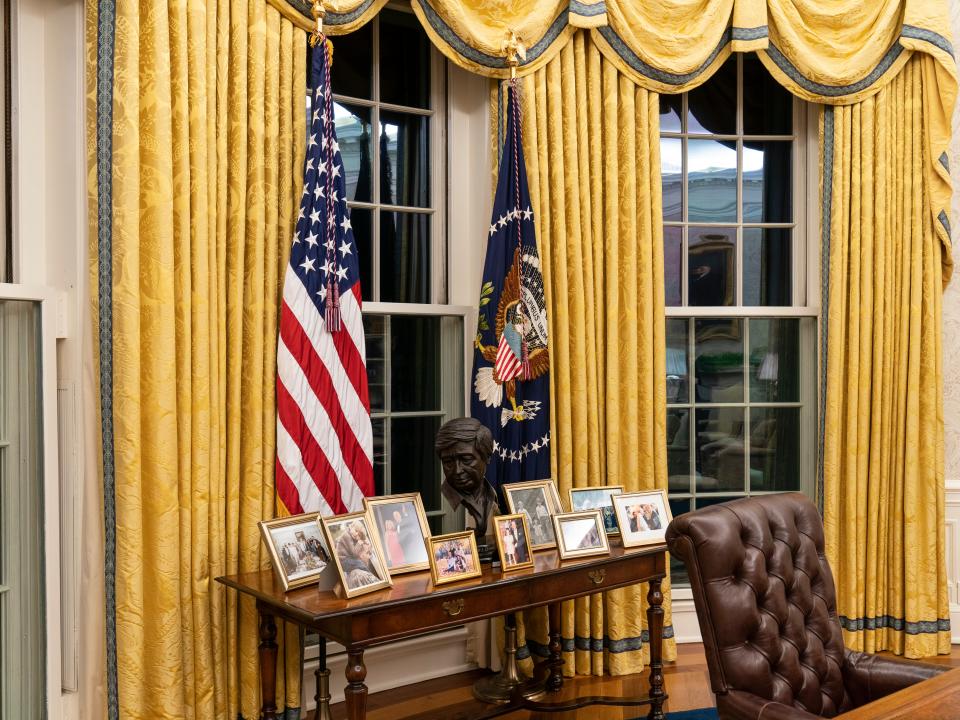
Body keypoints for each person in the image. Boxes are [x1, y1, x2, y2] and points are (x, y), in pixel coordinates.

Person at [435, 418, 498, 542]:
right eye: (448, 462)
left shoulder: (492, 495)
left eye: (466, 460)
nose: (457, 470)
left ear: (487, 457)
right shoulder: (437, 499)